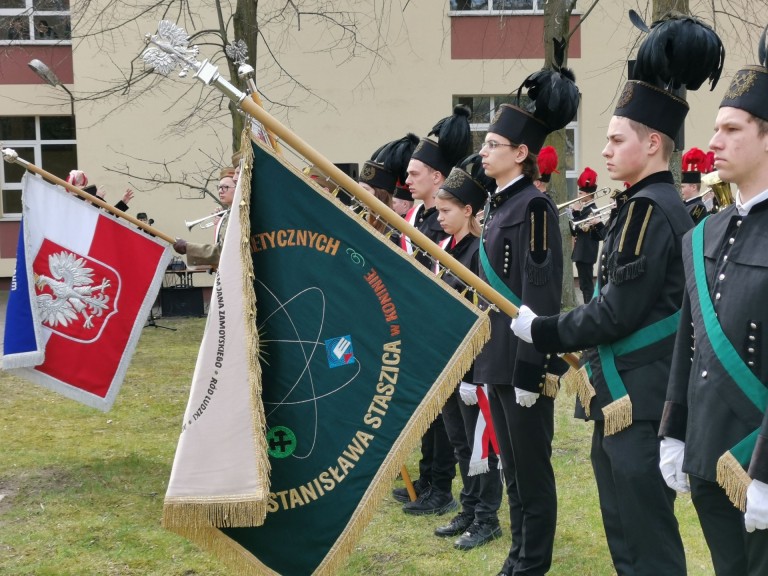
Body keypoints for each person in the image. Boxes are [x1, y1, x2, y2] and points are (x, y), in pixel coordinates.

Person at [511, 12, 724, 576]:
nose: (603, 151)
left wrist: (544, 330)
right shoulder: (648, 205)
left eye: (614, 139)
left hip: (642, 399)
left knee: (645, 547)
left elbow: (616, 312)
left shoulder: (648, 210)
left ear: (653, 143)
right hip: (634, 395)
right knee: (629, 540)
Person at [659, 26, 768, 576]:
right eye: (715, 128)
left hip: (758, 453)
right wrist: (673, 431)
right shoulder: (705, 231)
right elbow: (689, 341)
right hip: (707, 451)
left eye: (731, 129)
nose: (714, 142)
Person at [476, 47, 579, 576]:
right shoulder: (500, 206)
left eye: (492, 145)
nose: (483, 152)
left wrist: (530, 367)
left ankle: (532, 562)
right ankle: (517, 556)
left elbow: (538, 293)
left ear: (520, 153)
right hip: (496, 358)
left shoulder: (533, 206)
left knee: (532, 471)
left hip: (523, 364)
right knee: (510, 468)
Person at [392, 105, 472, 516]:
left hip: (440, 327)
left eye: (415, 173)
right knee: (427, 412)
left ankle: (441, 485)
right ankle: (427, 477)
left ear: (438, 178)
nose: (406, 179)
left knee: (446, 417)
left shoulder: (444, 224)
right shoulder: (413, 218)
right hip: (415, 325)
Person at [432, 156, 503, 551]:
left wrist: (477, 371)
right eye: (438, 210)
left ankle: (487, 517)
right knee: (461, 442)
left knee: (482, 444)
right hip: (450, 359)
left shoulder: (480, 251)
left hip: (475, 360)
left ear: (469, 211)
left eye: (446, 211)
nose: (439, 217)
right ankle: (470, 506)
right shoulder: (444, 247)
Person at [173, 174, 235, 266]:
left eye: (225, 187)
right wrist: (218, 225)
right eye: (219, 187)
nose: (220, 191)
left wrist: (188, 247)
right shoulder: (229, 213)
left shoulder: (236, 215)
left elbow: (223, 251)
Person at [569, 167, 606, 304]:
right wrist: (574, 214)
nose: (579, 195)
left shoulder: (592, 210)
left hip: (586, 251)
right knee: (584, 285)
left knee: (586, 285)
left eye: (581, 193)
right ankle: (587, 308)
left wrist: (577, 214)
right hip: (581, 251)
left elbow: (583, 228)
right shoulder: (584, 209)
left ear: (588, 194)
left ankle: (589, 308)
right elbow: (574, 230)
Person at [681, 146, 709, 223]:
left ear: (693, 187)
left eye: (683, 187)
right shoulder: (684, 204)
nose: (680, 190)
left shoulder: (698, 207)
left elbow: (688, 226)